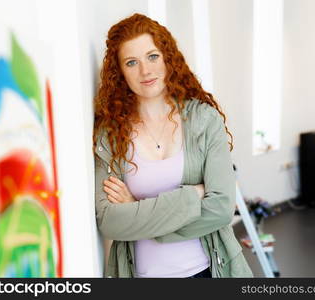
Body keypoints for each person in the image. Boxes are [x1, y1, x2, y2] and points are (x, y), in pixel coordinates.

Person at [93, 13, 252, 278]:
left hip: (209, 272)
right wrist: (190, 197)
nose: (145, 71)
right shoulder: (110, 134)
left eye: (152, 56)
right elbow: (110, 222)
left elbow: (222, 208)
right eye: (132, 62)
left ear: (168, 58)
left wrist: (137, 209)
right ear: (120, 72)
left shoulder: (203, 118)